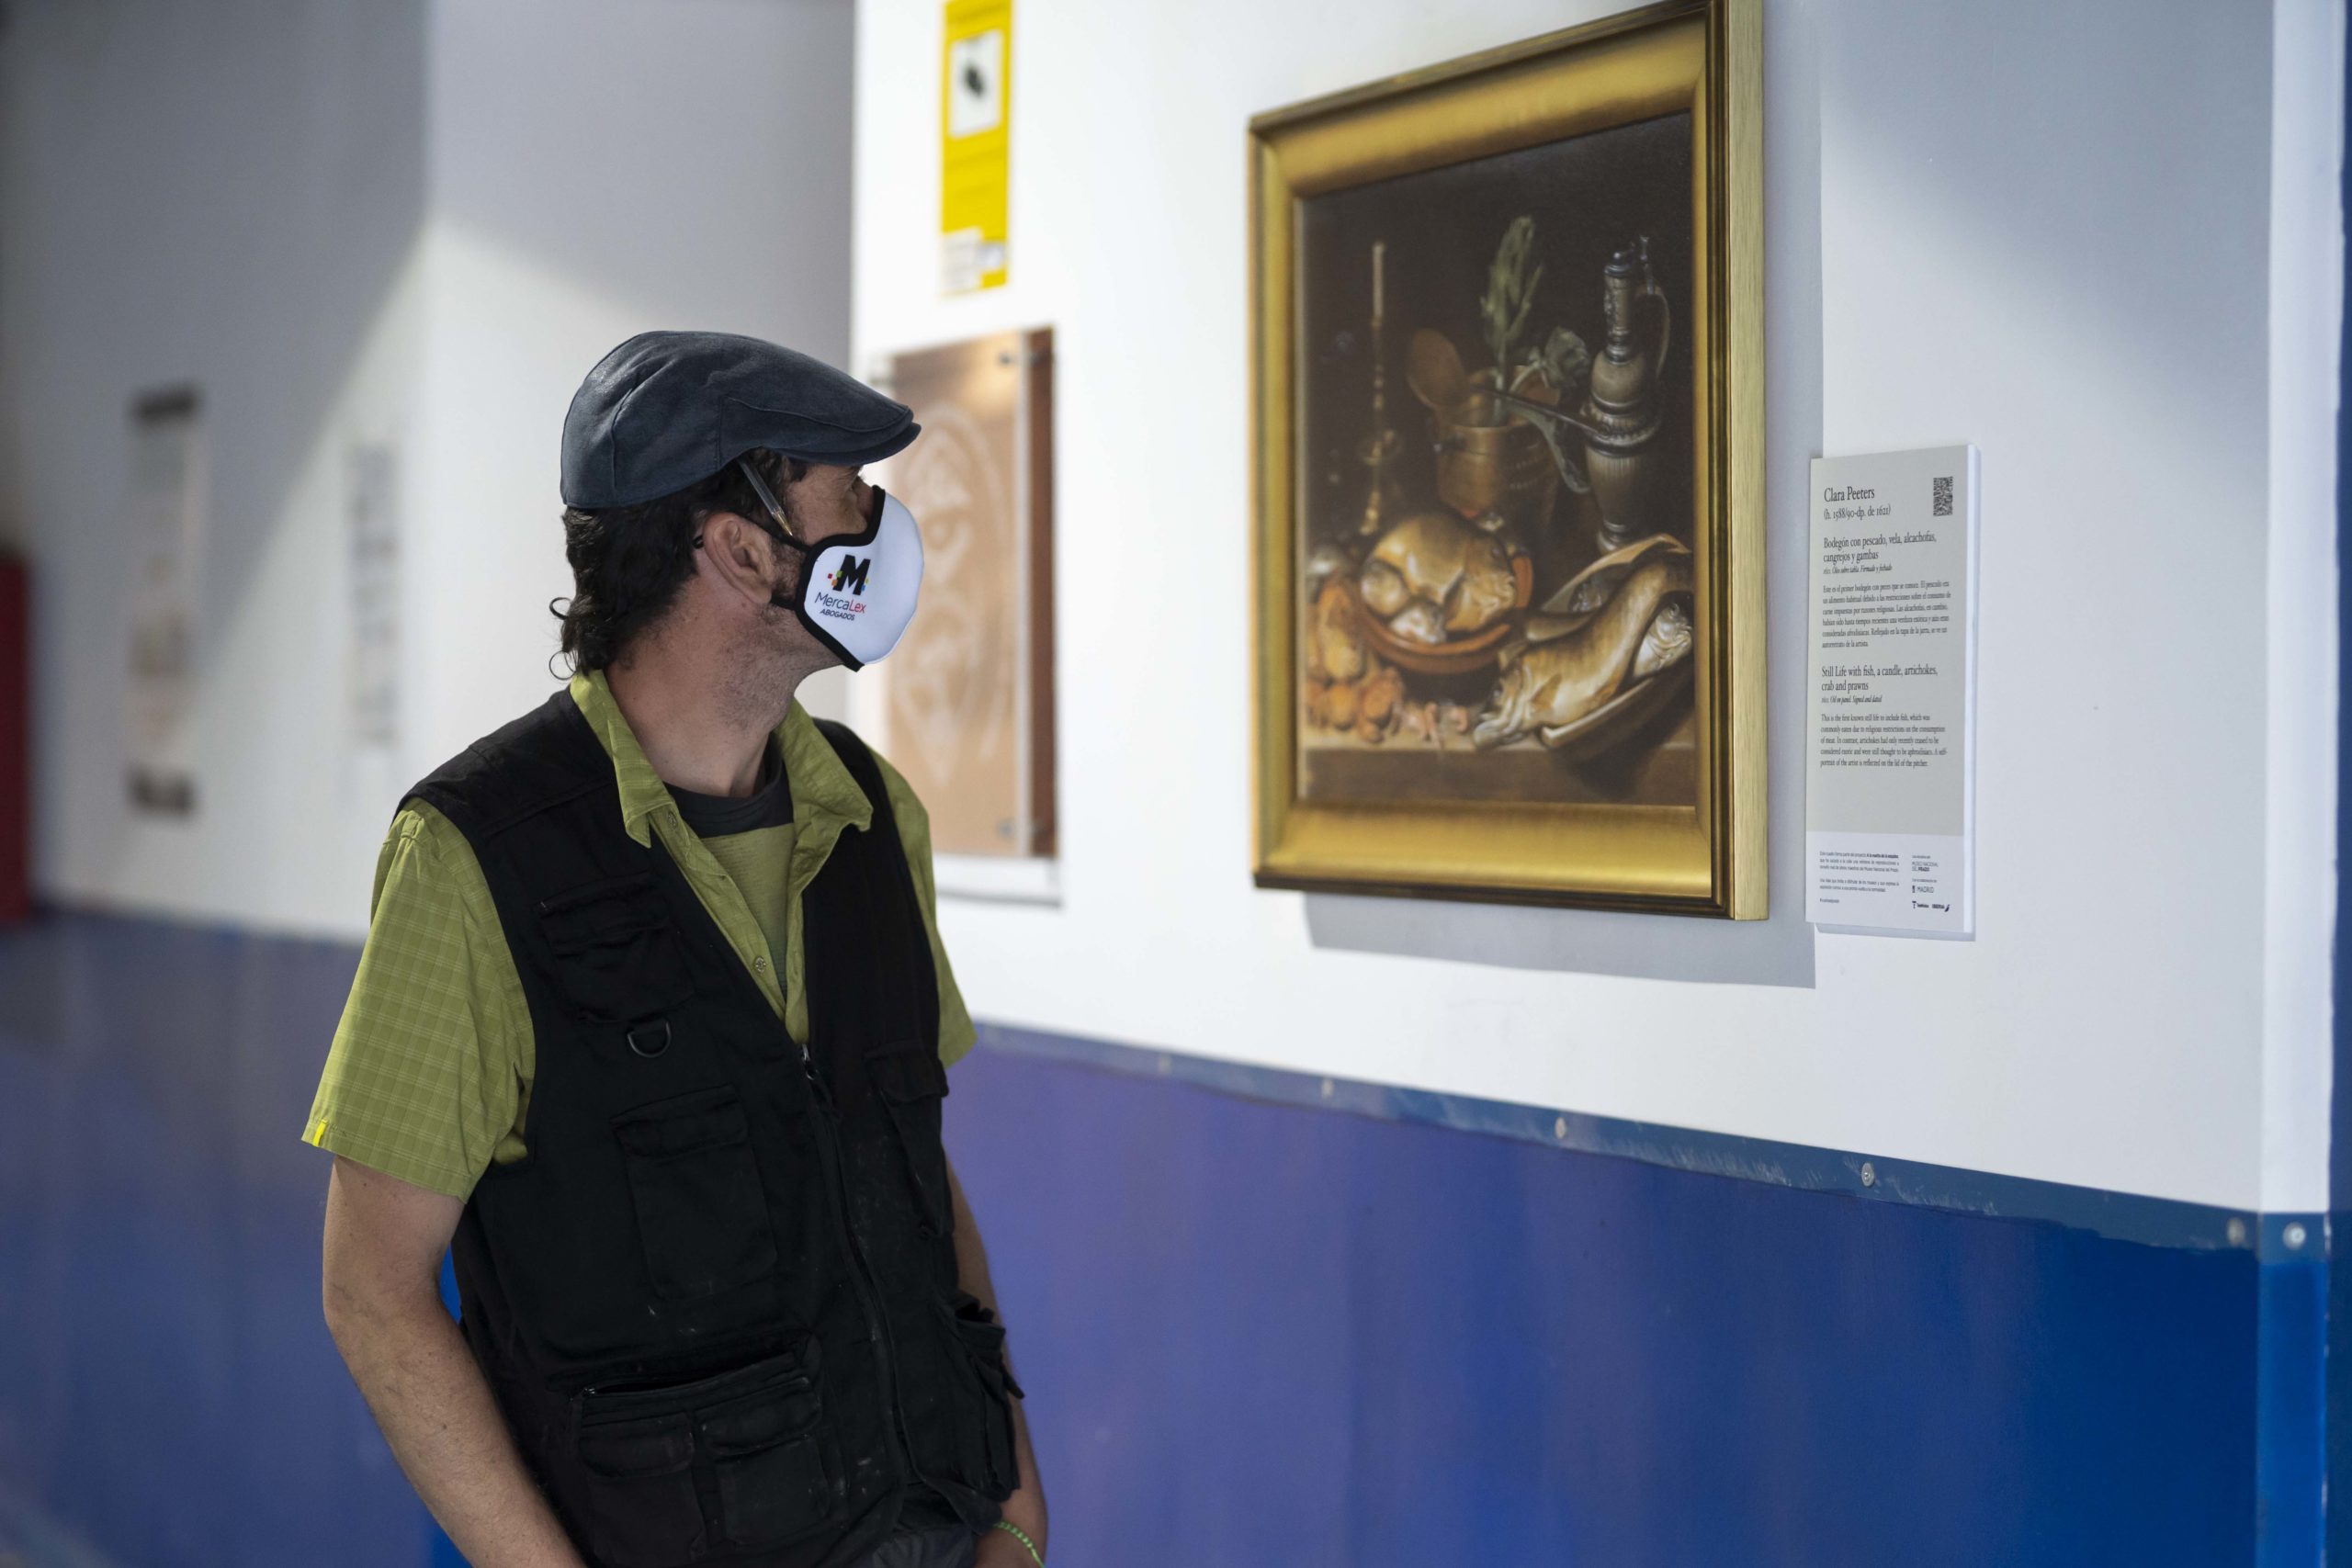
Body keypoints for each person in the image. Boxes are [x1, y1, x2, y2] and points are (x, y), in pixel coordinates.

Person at [302, 331, 1047, 1568]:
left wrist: (1016, 1507)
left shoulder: (873, 815)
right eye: (850, 492)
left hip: (939, 1535)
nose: (881, 522)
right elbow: (372, 1293)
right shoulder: (475, 857)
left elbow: (916, 1171)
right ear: (742, 547)